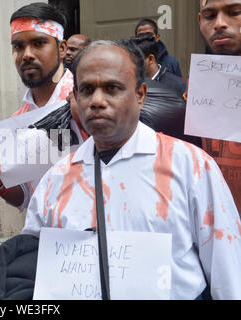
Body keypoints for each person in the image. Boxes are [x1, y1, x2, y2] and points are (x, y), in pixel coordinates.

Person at [21, 40, 241, 299]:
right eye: (87, 90)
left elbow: (228, 274)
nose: (97, 101)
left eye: (112, 88)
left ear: (140, 95)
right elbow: (33, 269)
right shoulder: (54, 180)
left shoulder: (191, 166)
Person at [0, 2, 87, 211]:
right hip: (45, 235)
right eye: (18, 46)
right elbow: (27, 198)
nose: (26, 54)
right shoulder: (20, 120)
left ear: (62, 49)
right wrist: (0, 185)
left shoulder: (88, 100)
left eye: (38, 43)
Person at [197, 0, 240, 214]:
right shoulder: (193, 90)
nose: (219, 24)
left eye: (235, 12)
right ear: (200, 21)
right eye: (210, 15)